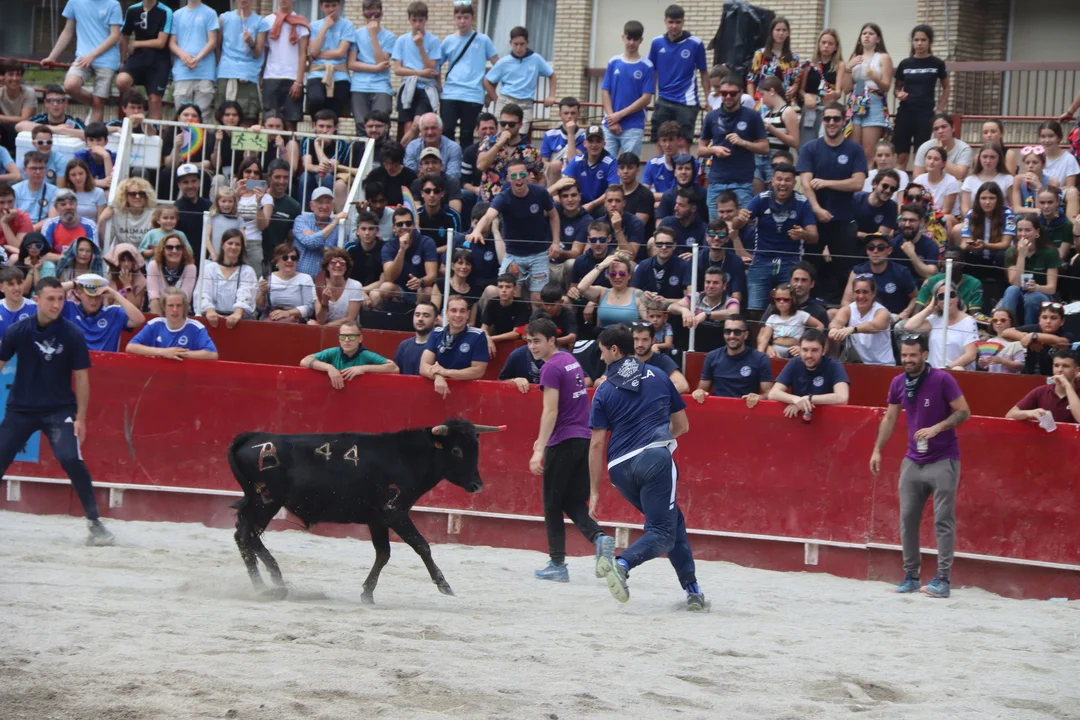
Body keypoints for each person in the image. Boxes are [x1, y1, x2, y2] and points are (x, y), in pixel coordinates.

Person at [587, 323, 703, 609]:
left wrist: (594, 490)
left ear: (614, 350)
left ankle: (693, 591)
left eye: (602, 351)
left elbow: (597, 444)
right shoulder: (660, 375)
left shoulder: (603, 390)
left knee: (672, 522)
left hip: (619, 469)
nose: (601, 357)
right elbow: (682, 426)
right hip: (654, 460)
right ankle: (622, 564)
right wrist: (658, 442)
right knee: (663, 531)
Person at [0, 277, 114, 545]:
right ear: (36, 300)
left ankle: (95, 522)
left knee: (71, 459)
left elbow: (82, 378)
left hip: (58, 409)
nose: (56, 304)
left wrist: (81, 418)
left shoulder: (72, 334)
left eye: (60, 299)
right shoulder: (17, 330)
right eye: (50, 299)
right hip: (21, 408)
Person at [870, 333, 970, 599]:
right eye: (904, 355)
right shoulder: (898, 382)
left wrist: (938, 428)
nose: (908, 360)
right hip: (913, 459)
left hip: (943, 458)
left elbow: (964, 411)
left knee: (943, 519)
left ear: (925, 355)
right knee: (907, 519)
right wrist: (877, 449)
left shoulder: (942, 379)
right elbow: (890, 417)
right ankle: (911, 575)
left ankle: (943, 578)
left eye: (913, 355)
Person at [523, 316, 614, 582]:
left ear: (552, 340)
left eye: (537, 341)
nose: (532, 347)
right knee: (572, 501)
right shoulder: (569, 360)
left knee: (552, 504)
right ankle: (598, 538)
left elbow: (550, 410)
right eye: (529, 341)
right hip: (583, 439)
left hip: (563, 441)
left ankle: (557, 564)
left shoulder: (550, 368)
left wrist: (539, 448)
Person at [796, 103, 869, 303]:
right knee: (810, 266)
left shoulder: (854, 149)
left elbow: (858, 183)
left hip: (843, 218)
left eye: (836, 118)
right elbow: (805, 183)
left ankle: (842, 307)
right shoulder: (810, 148)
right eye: (827, 118)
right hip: (813, 219)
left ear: (844, 120)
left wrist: (826, 183)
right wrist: (817, 209)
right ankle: (807, 305)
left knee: (844, 269)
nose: (831, 122)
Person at [469, 157, 558, 307]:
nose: (518, 178)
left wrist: (555, 242)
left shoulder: (540, 193)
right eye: (514, 175)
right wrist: (476, 230)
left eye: (522, 174)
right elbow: (489, 215)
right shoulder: (503, 197)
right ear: (508, 178)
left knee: (537, 298)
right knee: (508, 295)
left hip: (539, 254)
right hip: (514, 255)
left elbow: (554, 216)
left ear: (527, 175)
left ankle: (535, 322)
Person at [733, 164, 817, 314]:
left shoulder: (802, 202)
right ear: (772, 181)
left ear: (794, 183)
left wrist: (803, 234)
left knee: (787, 308)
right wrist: (740, 218)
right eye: (779, 179)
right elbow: (735, 225)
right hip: (762, 259)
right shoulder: (761, 199)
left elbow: (814, 237)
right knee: (754, 310)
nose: (783, 183)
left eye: (787, 180)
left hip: (790, 262)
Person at [40, 0, 122, 125]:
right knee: (70, 85)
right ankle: (95, 105)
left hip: (107, 60)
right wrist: (52, 57)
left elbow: (115, 36)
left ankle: (93, 131)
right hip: (82, 57)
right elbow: (67, 31)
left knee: (99, 102)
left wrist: (92, 55)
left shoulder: (113, 4)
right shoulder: (74, 2)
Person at [699, 74, 768, 215]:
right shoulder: (711, 117)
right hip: (717, 181)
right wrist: (714, 150)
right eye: (724, 93)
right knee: (716, 226)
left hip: (743, 182)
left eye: (732, 93)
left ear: (741, 93)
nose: (728, 97)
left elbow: (765, 148)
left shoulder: (752, 116)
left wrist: (743, 143)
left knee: (742, 224)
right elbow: (700, 150)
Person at [439, 0, 497, 148]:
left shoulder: (483, 40)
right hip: (450, 93)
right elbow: (435, 65)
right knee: (447, 131)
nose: (462, 21)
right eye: (459, 17)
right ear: (454, 19)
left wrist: (490, 93)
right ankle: (449, 161)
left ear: (473, 18)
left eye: (466, 17)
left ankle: (466, 162)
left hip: (473, 94)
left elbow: (498, 66)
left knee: (467, 134)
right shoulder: (448, 41)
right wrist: (439, 87)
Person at [648, 4, 708, 143]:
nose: (674, 26)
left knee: (682, 143)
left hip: (686, 102)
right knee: (660, 142)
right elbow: (652, 72)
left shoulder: (695, 43)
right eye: (671, 22)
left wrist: (708, 99)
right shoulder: (657, 43)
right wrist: (648, 96)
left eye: (678, 22)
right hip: (664, 99)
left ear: (683, 21)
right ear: (665, 21)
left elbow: (704, 72)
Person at [892, 25, 949, 169]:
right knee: (901, 155)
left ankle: (918, 182)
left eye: (923, 40)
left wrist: (940, 109)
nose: (919, 43)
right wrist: (899, 94)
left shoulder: (937, 63)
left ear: (930, 42)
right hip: (905, 113)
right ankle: (899, 182)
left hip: (925, 114)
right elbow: (897, 88)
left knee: (921, 154)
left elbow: (946, 87)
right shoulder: (905, 64)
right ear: (912, 42)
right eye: (916, 40)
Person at [483, 26, 556, 137]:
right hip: (506, 100)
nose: (518, 48)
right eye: (515, 44)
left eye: (522, 44)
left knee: (520, 136)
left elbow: (552, 75)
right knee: (500, 135)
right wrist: (496, 99)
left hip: (525, 104)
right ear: (510, 43)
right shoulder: (504, 61)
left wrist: (551, 96)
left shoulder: (536, 59)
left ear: (527, 43)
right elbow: (487, 80)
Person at [767, 328, 850, 418]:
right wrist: (796, 400)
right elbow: (773, 394)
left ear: (823, 351)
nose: (809, 355)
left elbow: (842, 398)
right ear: (800, 349)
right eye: (805, 350)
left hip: (827, 419)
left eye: (814, 350)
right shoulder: (794, 363)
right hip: (797, 417)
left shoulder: (834, 366)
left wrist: (808, 398)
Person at [601, 21, 654, 158]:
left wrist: (619, 115)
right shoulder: (613, 62)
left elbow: (646, 98)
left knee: (629, 166)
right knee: (606, 164)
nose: (631, 42)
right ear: (623, 37)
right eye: (629, 38)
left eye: (635, 39)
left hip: (633, 126)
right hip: (610, 125)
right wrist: (612, 118)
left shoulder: (647, 66)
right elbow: (605, 91)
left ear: (641, 40)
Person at [419, 295, 489, 398]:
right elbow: (423, 366)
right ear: (446, 313)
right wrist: (437, 376)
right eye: (453, 310)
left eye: (462, 311)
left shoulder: (478, 335)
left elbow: (478, 371)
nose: (458, 315)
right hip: (438, 392)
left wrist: (446, 372)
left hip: (467, 394)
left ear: (468, 314)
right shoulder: (436, 332)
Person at [300, 319, 398, 389]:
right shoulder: (333, 352)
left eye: (351, 336)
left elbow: (394, 368)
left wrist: (363, 368)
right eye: (343, 336)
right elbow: (305, 361)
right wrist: (329, 368)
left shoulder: (365, 355)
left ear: (360, 339)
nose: (346, 340)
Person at [845, 23, 894, 165]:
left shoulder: (883, 57)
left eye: (871, 34)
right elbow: (846, 89)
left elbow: (886, 86)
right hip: (856, 102)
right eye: (864, 33)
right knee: (853, 149)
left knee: (868, 152)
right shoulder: (855, 57)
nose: (866, 36)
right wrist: (848, 68)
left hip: (874, 102)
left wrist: (874, 77)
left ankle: (868, 176)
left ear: (878, 39)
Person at [903, 280, 979, 370]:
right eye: (942, 296)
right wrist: (929, 308)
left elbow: (971, 355)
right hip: (934, 373)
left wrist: (946, 368)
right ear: (936, 301)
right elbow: (909, 327)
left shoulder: (968, 321)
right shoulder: (935, 319)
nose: (947, 299)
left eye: (951, 295)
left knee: (958, 369)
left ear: (958, 298)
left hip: (955, 372)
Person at [127, 287, 219, 361]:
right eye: (171, 305)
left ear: (184, 307)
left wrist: (179, 354)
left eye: (179, 305)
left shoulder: (196, 327)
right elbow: (131, 347)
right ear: (164, 307)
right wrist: (163, 352)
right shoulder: (155, 324)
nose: (175, 310)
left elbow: (212, 354)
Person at [214, 0, 269, 123]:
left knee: (248, 117)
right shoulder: (224, 18)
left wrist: (251, 42)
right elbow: (217, 47)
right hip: (226, 72)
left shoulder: (260, 22)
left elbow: (258, 53)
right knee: (222, 115)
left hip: (248, 74)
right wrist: (220, 65)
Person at [61, 272, 144, 352]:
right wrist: (75, 284)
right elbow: (52, 291)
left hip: (105, 361)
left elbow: (139, 320)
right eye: (89, 296)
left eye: (97, 296)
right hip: (75, 361)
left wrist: (115, 294)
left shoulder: (113, 312)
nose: (93, 301)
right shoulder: (69, 308)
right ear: (80, 293)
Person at [840, 233, 918, 319]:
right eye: (871, 247)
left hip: (893, 318)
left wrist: (906, 312)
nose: (875, 251)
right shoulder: (857, 272)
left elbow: (915, 297)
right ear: (867, 251)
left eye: (881, 248)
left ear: (889, 250)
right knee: (832, 313)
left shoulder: (901, 272)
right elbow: (846, 301)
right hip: (864, 318)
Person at [475, 103, 542, 201]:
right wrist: (499, 144)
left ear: (520, 125)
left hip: (517, 204)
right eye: (503, 123)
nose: (506, 127)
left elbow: (541, 178)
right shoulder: (489, 141)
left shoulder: (531, 151)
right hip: (488, 203)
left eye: (511, 124)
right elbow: (481, 165)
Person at [1000, 216, 1060, 325]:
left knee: (1032, 296)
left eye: (1027, 230)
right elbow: (1016, 283)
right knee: (1011, 290)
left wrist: (1037, 287)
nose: (1023, 234)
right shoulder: (1011, 252)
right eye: (1020, 230)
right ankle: (1004, 327)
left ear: (1037, 232)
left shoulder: (1050, 252)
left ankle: (1030, 330)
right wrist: (1021, 256)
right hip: (1020, 292)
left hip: (1042, 294)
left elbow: (1052, 288)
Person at [261, 0, 309, 131]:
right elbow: (264, 50)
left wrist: (299, 81)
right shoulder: (267, 21)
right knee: (270, 119)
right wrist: (261, 75)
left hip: (292, 77)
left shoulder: (300, 22)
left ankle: (291, 145)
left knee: (290, 122)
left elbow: (303, 54)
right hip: (271, 75)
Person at [168, 0, 219, 116]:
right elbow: (172, 43)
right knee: (182, 114)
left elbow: (213, 41)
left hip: (205, 72)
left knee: (202, 114)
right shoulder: (177, 15)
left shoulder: (210, 13)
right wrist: (183, 56)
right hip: (182, 71)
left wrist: (197, 58)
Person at [305, 0, 354, 119]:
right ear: (321, 7)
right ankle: (316, 127)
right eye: (327, 6)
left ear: (339, 5)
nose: (331, 9)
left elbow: (341, 52)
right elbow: (313, 51)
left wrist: (318, 54)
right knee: (316, 100)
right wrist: (325, 27)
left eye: (334, 5)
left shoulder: (347, 25)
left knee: (335, 110)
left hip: (339, 74)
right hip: (317, 72)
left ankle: (332, 129)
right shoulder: (314, 25)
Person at [830, 276, 895, 365]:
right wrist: (833, 329)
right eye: (857, 292)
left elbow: (874, 326)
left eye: (865, 292)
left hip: (885, 365)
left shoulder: (882, 311)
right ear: (853, 294)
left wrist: (852, 329)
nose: (861, 296)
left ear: (873, 293)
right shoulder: (848, 309)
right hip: (861, 365)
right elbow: (837, 321)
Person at [378, 206, 438, 305]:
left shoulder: (427, 242)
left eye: (408, 223)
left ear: (413, 225)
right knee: (385, 288)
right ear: (394, 228)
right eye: (400, 224)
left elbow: (432, 275)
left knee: (428, 291)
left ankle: (417, 312)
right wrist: (402, 250)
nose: (405, 227)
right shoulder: (388, 246)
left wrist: (420, 282)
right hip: (399, 289)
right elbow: (389, 277)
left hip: (420, 288)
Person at [1000, 301, 1075, 376]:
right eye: (1044, 317)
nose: (1048, 321)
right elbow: (1005, 333)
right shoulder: (1033, 328)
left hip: (1054, 378)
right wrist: (1029, 339)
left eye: (1053, 318)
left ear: (1062, 321)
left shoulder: (1066, 335)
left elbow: (1061, 342)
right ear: (1039, 320)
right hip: (1028, 376)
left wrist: (1034, 336)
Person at [798, 29, 846, 146]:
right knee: (807, 143)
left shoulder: (839, 65)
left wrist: (833, 94)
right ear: (818, 44)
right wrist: (806, 96)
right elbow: (801, 90)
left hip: (828, 108)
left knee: (826, 143)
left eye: (830, 43)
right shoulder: (809, 65)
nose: (826, 46)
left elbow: (839, 92)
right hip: (810, 108)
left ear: (836, 47)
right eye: (823, 42)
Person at [201, 229, 257, 328]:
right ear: (222, 245)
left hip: (240, 322)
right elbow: (203, 294)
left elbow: (245, 296)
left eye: (237, 244)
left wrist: (237, 314)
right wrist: (209, 311)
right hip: (212, 320)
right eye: (230, 243)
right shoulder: (210, 268)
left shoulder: (247, 271)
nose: (233, 247)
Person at [1007, 349, 1080, 425]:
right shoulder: (1041, 391)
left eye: (1066, 366)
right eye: (1056, 365)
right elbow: (1010, 415)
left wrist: (1067, 386)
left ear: (1076, 370)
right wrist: (1030, 413)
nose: (1060, 370)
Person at [755, 76, 799, 192]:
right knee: (760, 195)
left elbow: (795, 142)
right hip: (761, 157)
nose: (762, 99)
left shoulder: (787, 112)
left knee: (773, 193)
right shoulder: (768, 113)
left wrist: (772, 129)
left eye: (763, 94)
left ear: (772, 91)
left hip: (777, 158)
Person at [293, 187, 349, 278]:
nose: (324, 206)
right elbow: (311, 243)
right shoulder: (301, 220)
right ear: (311, 205)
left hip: (326, 281)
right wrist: (334, 223)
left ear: (333, 206)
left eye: (328, 202)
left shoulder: (339, 227)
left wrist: (315, 238)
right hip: (300, 279)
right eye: (320, 202)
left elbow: (341, 255)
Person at [758, 283, 823, 359]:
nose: (781, 302)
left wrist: (805, 346)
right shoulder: (772, 318)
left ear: (793, 300)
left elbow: (820, 325)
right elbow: (765, 339)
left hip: (796, 352)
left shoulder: (801, 315)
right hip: (776, 352)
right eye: (778, 299)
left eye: (786, 300)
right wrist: (759, 356)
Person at [562, 126, 618, 211]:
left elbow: (613, 190)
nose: (594, 145)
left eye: (598, 141)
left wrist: (592, 204)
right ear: (585, 143)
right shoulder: (576, 160)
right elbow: (563, 183)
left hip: (601, 206)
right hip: (578, 205)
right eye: (591, 141)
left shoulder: (611, 162)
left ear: (604, 144)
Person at [256, 242, 316, 323]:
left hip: (297, 322)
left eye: (293, 258)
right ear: (277, 261)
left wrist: (287, 313)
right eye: (285, 257)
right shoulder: (266, 278)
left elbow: (309, 309)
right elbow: (259, 309)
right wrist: (263, 293)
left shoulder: (305, 278)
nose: (289, 260)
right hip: (272, 320)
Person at [481, 273, 531, 356]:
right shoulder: (492, 302)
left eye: (508, 287)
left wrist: (490, 338)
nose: (504, 290)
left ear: (515, 289)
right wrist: (487, 338)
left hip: (515, 343)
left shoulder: (521, 304)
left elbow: (516, 333)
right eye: (500, 287)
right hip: (496, 339)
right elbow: (483, 328)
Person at [146, 233, 197, 315]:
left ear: (183, 250)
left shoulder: (190, 267)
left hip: (180, 313)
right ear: (163, 250)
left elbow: (185, 299)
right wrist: (160, 320)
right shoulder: (153, 265)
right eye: (169, 247)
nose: (174, 251)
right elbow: (153, 297)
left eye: (178, 247)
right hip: (157, 311)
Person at [313, 247, 364, 327]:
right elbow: (320, 320)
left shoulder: (355, 285)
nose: (338, 265)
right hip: (325, 330)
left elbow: (350, 319)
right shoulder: (319, 285)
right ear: (327, 266)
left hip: (348, 330)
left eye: (342, 263)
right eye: (333, 263)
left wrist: (324, 327)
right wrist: (324, 302)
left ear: (346, 267)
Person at [631, 227, 688, 299]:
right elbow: (633, 292)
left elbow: (688, 299)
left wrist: (666, 301)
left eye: (668, 244)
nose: (664, 247)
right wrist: (642, 295)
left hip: (674, 305)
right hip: (648, 304)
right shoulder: (644, 265)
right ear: (654, 245)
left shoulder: (684, 266)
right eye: (659, 244)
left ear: (674, 246)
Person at [912, 114, 972, 181]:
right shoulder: (925, 147)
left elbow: (960, 174)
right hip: (930, 184)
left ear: (953, 128)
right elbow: (917, 175)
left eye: (944, 127)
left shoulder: (964, 148)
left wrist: (941, 154)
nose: (940, 131)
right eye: (936, 129)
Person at [959, 143, 1014, 217]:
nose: (988, 161)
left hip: (1001, 219)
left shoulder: (1008, 179)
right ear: (979, 158)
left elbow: (1013, 205)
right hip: (976, 219)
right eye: (984, 157)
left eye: (992, 157)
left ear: (999, 159)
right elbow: (965, 209)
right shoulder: (969, 180)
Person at [541, 98, 585, 184]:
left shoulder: (584, 136)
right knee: (555, 165)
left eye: (573, 113)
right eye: (566, 113)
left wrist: (571, 134)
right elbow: (544, 161)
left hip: (575, 175)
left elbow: (572, 160)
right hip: (554, 175)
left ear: (578, 114)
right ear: (560, 114)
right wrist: (559, 167)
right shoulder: (550, 135)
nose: (569, 116)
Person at [15, 85, 85, 140]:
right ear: (46, 103)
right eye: (51, 101)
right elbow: (19, 126)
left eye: (59, 101)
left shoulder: (73, 122)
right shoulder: (41, 119)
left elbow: (87, 135)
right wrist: (58, 129)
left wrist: (64, 130)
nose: (55, 104)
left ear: (65, 103)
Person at [404, 114, 463, 178]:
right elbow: (410, 175)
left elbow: (453, 176)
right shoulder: (412, 146)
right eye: (426, 128)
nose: (430, 132)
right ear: (420, 130)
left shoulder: (453, 148)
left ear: (441, 129)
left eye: (433, 128)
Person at [13, 152, 57, 232]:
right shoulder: (15, 190)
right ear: (25, 170)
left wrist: (30, 229)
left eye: (41, 168)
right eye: (33, 168)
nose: (38, 172)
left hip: (42, 230)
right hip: (18, 229)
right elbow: (11, 216)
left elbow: (52, 218)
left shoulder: (54, 191)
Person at [912, 146, 960, 218]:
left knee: (946, 218)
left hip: (945, 217)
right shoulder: (918, 180)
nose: (931, 162)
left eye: (936, 159)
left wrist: (928, 220)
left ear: (943, 163)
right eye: (929, 158)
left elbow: (946, 210)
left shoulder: (951, 181)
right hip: (923, 217)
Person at [0, 62, 37, 154]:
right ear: (4, 77)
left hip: (24, 131)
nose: (14, 78)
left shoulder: (29, 93)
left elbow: (24, 118)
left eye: (18, 75)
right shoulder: (1, 93)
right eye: (11, 74)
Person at [393, 300, 438, 375]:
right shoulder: (404, 345)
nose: (420, 319)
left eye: (426, 316)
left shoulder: (439, 346)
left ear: (435, 320)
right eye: (417, 315)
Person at [853, 171, 900, 240]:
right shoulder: (855, 199)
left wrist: (858, 234)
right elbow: (844, 228)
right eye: (885, 186)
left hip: (871, 245)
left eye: (892, 189)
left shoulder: (892, 207)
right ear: (874, 184)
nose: (888, 191)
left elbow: (879, 237)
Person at [61, 159, 106, 224]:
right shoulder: (63, 194)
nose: (78, 178)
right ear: (69, 177)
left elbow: (101, 221)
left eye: (81, 173)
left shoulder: (99, 193)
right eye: (73, 175)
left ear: (86, 174)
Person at [0, 267, 36, 337]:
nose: (17, 288)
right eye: (11, 284)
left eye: (20, 283)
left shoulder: (35, 308)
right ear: (1, 288)